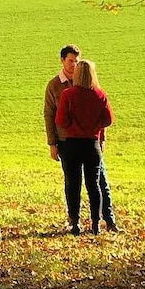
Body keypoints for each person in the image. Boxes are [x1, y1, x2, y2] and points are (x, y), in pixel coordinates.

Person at [43, 44, 118, 232]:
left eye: (77, 61)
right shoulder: (97, 93)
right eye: (71, 60)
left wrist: (73, 122)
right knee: (94, 184)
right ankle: (96, 224)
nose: (74, 64)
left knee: (76, 183)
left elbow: (60, 119)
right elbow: (107, 119)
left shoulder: (68, 94)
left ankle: (78, 222)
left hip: (72, 143)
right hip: (90, 143)